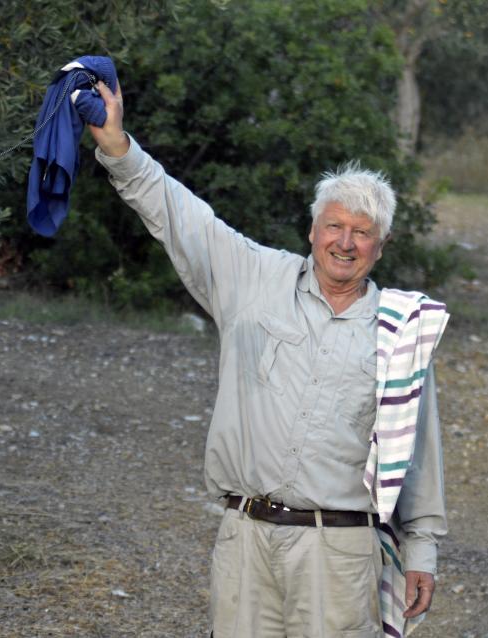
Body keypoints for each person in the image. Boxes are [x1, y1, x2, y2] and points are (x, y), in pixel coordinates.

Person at [88, 80, 447, 638]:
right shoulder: (254, 278)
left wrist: (421, 549)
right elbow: (183, 217)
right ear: (312, 229)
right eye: (335, 226)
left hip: (340, 553)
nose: (345, 242)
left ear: (382, 245)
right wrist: (118, 147)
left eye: (362, 232)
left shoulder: (401, 331)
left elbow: (418, 453)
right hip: (246, 538)